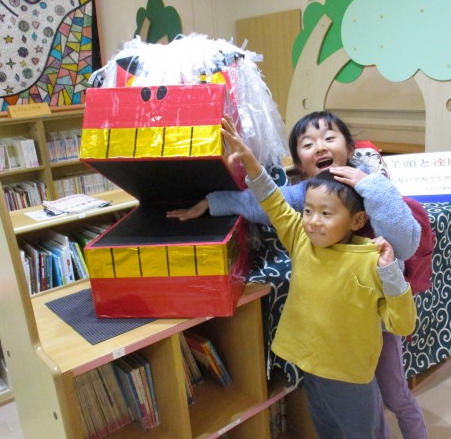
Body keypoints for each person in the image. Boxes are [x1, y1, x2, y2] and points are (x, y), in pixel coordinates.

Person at [168, 111, 430, 439]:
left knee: (391, 398)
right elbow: (270, 202)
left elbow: (403, 295)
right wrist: (240, 172)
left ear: (349, 149)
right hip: (319, 358)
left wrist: (389, 269)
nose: (314, 220)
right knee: (332, 423)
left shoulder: (372, 215)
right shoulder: (303, 228)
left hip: (366, 339)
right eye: (308, 143)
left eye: (329, 138)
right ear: (300, 163)